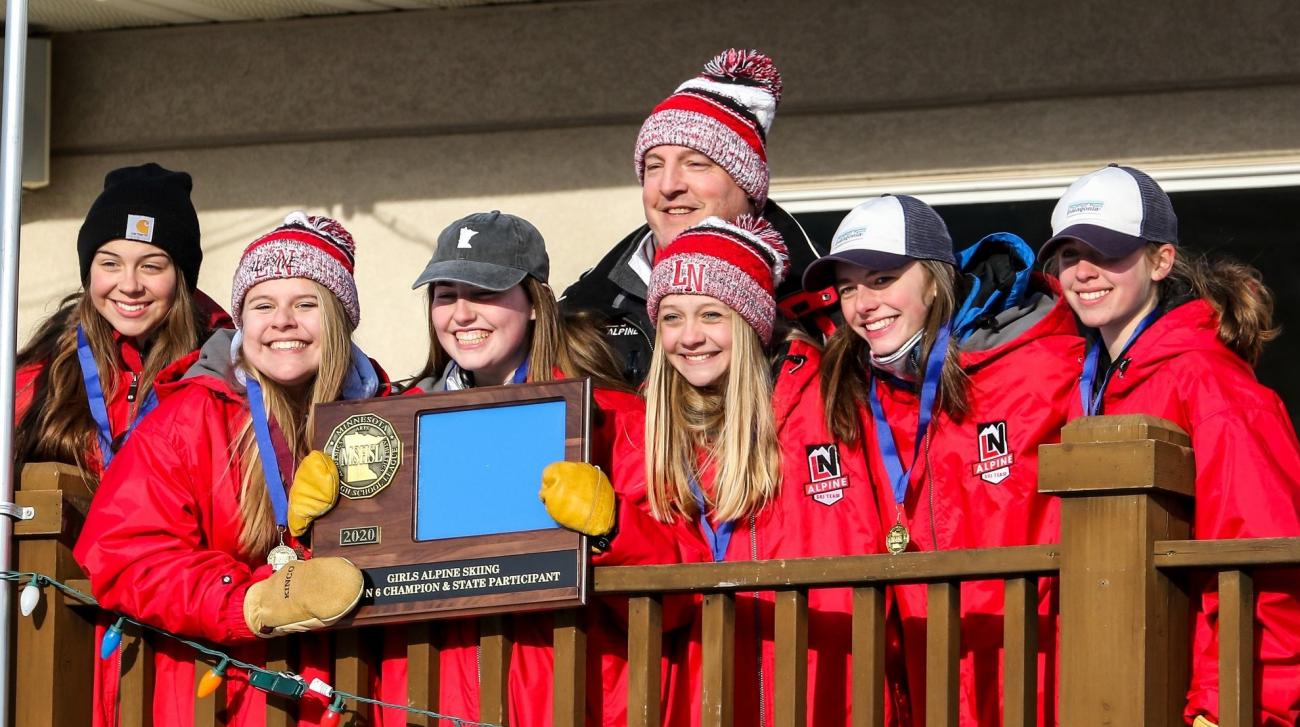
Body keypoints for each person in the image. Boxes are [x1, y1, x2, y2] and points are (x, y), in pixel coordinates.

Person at [285, 211, 675, 727]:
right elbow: (353, 587)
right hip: (426, 702)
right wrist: (316, 535)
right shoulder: (387, 424)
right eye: (445, 295)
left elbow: (681, 597)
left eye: (486, 292)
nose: (462, 313)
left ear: (535, 303)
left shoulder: (612, 418)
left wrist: (615, 528)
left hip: (567, 700)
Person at [74, 212, 386, 727]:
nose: (282, 321)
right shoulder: (189, 418)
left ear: (340, 317)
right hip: (220, 697)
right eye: (263, 305)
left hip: (348, 694)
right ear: (242, 322)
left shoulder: (386, 415)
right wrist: (250, 602)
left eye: (306, 304)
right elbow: (125, 554)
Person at [805, 195, 1082, 725]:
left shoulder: (1047, 363)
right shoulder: (855, 391)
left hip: (1043, 688)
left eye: (882, 279)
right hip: (933, 692)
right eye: (847, 288)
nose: (863, 304)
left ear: (935, 279)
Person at [1042, 164, 1300, 727]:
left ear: (1160, 261)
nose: (1082, 272)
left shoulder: (1211, 383)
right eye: (1066, 255)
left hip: (1191, 706)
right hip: (1103, 698)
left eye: (1106, 252)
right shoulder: (1082, 386)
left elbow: (1266, 568)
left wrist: (1227, 711)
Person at [641, 214, 882, 725]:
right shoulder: (649, 430)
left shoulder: (832, 399)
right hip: (705, 699)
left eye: (711, 315)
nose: (689, 337)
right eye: (671, 317)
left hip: (826, 690)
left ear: (751, 320)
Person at [13, 162, 231, 727]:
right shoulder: (35, 383)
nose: (128, 284)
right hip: (54, 646)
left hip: (182, 653)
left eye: (151, 265)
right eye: (109, 263)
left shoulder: (227, 377)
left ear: (181, 275)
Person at [561, 48, 834, 383]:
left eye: (696, 164)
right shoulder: (586, 308)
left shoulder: (831, 300)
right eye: (654, 167)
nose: (668, 186)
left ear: (748, 185)